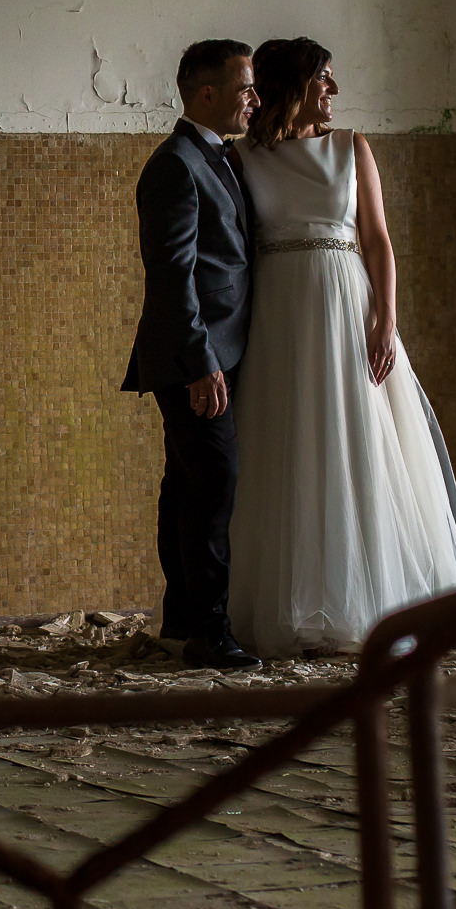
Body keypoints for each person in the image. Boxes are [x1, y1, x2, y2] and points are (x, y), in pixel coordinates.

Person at [226, 37, 456, 657]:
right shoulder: (243, 159)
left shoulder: (351, 148)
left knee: (356, 444)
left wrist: (386, 318)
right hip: (281, 315)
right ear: (294, 84)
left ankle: (366, 605)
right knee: (287, 449)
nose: (334, 91)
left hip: (347, 308)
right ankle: (287, 605)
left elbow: (379, 240)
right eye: (324, 79)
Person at [122, 40, 263, 670]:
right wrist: (202, 361)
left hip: (217, 348)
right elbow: (172, 274)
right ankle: (207, 631)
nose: (253, 100)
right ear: (206, 94)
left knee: (186, 485)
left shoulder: (223, 158)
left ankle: (182, 622)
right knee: (212, 484)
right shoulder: (176, 164)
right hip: (193, 355)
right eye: (243, 89)